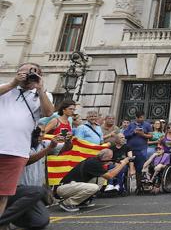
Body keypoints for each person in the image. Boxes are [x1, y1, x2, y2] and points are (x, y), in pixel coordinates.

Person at [0, 63, 54, 217]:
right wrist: (13, 83)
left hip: (17, 150)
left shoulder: (43, 95)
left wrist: (40, 89)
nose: (27, 75)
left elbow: (49, 112)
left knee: (4, 193)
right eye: (23, 72)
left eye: (32, 72)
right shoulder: (6, 87)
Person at [55, 149, 131, 212]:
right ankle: (67, 203)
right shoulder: (94, 163)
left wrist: (119, 165)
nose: (111, 159)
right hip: (64, 188)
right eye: (110, 157)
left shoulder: (95, 161)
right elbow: (110, 176)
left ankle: (82, 201)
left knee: (101, 178)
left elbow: (108, 174)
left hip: (71, 186)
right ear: (105, 157)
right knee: (94, 187)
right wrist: (123, 164)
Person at [123, 111, 152, 177]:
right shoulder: (131, 125)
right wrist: (133, 132)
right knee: (129, 166)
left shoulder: (147, 125)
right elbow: (125, 135)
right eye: (140, 118)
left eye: (143, 117)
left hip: (141, 150)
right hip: (130, 150)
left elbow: (151, 136)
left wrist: (143, 134)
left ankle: (138, 184)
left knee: (140, 167)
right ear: (136, 117)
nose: (142, 119)